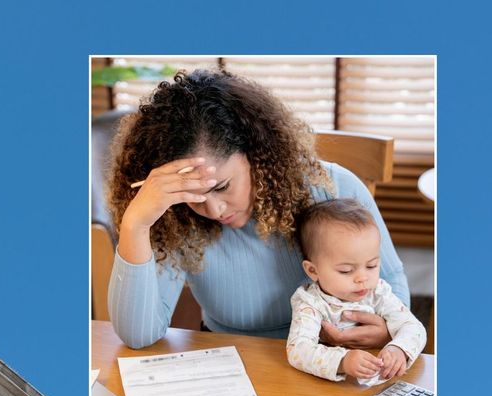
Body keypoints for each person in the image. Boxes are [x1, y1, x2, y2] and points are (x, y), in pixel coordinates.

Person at [106, 69, 410, 349]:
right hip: (234, 361)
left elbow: (393, 289)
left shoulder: (336, 187)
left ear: (256, 155)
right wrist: (136, 224)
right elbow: (138, 336)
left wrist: (387, 330)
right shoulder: (174, 215)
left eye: (222, 186)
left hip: (332, 360)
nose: (213, 209)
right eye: (193, 195)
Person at [286, 199, 426, 384]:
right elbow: (298, 350)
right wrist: (343, 361)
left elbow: (414, 328)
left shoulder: (378, 292)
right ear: (313, 270)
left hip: (379, 380)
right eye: (346, 270)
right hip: (325, 384)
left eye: (371, 265)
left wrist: (398, 349)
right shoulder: (309, 302)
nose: (362, 278)